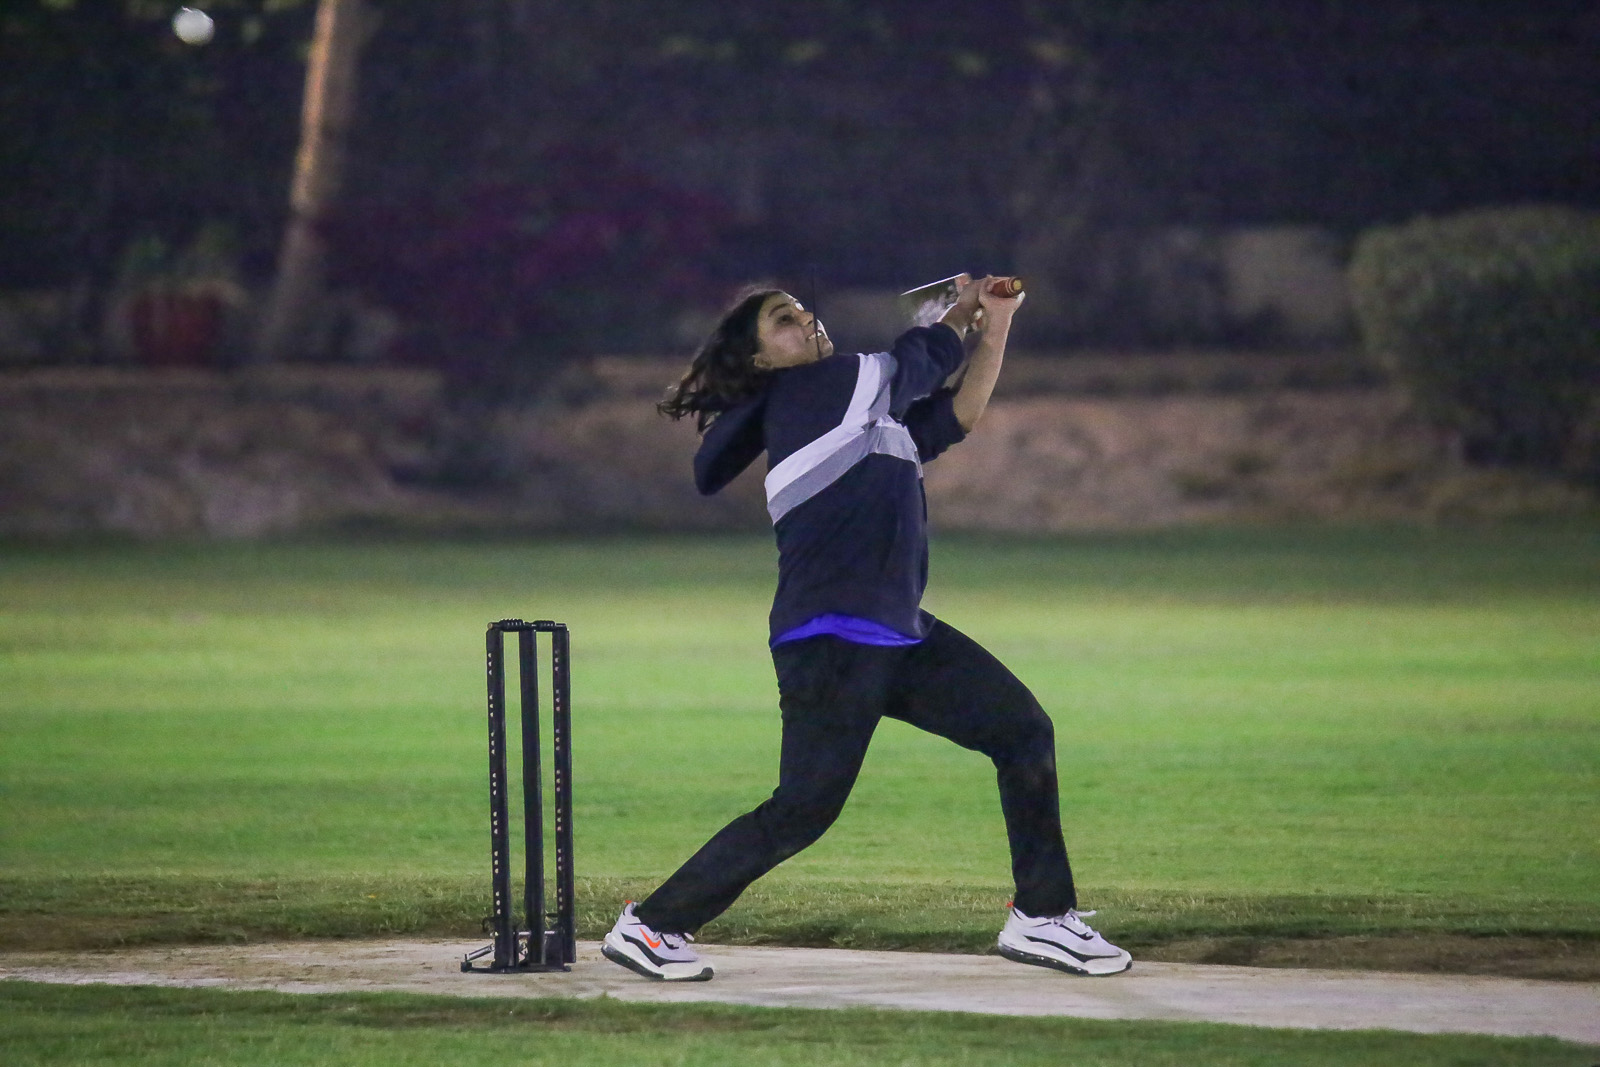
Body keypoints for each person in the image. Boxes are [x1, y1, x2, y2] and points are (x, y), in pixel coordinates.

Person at [601, 276, 1131, 982]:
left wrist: (995, 323)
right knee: (803, 809)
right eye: (782, 320)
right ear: (761, 361)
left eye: (802, 309)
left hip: (896, 634)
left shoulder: (860, 416)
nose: (805, 319)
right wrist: (958, 311)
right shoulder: (820, 388)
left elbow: (959, 414)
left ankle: (1042, 914)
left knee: (1022, 731)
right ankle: (653, 924)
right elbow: (918, 359)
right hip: (831, 638)